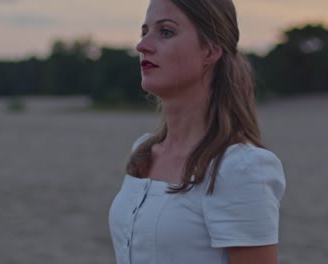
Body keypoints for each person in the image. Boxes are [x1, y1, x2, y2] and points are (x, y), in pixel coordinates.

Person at [108, 0, 286, 263]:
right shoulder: (143, 153)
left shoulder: (242, 167)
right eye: (144, 31)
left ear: (210, 51)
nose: (142, 45)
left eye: (165, 32)